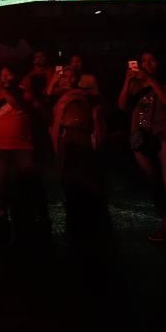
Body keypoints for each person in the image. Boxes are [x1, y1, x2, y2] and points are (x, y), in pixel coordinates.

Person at [119, 51, 166, 254]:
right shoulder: (136, 85)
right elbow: (122, 106)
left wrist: (151, 81)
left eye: (152, 60)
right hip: (139, 135)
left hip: (164, 132)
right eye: (144, 61)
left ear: (159, 63)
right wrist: (126, 82)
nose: (147, 64)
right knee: (153, 183)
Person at [0, 65, 48, 246]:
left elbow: (16, 103)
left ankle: (38, 213)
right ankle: (2, 213)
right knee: (1, 180)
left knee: (30, 179)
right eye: (2, 74)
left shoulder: (22, 91)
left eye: (8, 74)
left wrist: (1, 89)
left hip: (21, 145)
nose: (4, 77)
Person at [50, 67, 108, 240]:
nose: (66, 79)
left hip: (81, 136)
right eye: (64, 76)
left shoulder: (86, 94)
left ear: (77, 78)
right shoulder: (56, 95)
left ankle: (90, 223)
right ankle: (75, 220)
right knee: (68, 178)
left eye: (70, 75)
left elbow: (99, 110)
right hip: (65, 137)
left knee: (84, 177)